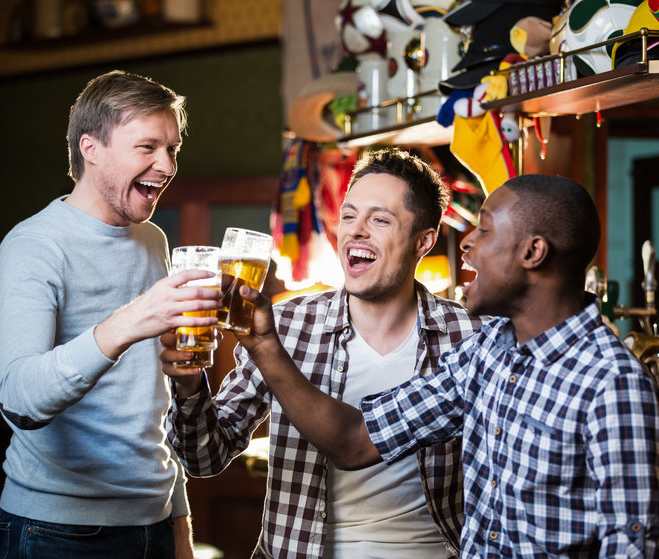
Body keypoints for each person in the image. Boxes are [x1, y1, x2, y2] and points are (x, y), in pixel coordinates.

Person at [229, 174, 659, 558]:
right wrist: (265, 344)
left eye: (486, 230)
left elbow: (634, 546)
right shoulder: (488, 353)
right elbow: (354, 440)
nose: (467, 242)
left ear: (533, 252)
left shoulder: (613, 384)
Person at [163, 149, 485, 558]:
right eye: (348, 216)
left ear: (424, 241)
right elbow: (204, 457)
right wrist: (190, 385)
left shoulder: (471, 336)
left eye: (380, 219)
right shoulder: (287, 323)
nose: (356, 231)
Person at [0, 70, 217, 559]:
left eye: (172, 149)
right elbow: (19, 399)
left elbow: (150, 405)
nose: (167, 165)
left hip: (154, 522)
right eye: (148, 147)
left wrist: (178, 519)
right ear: (90, 148)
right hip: (55, 532)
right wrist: (130, 321)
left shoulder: (152, 239)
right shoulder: (33, 247)